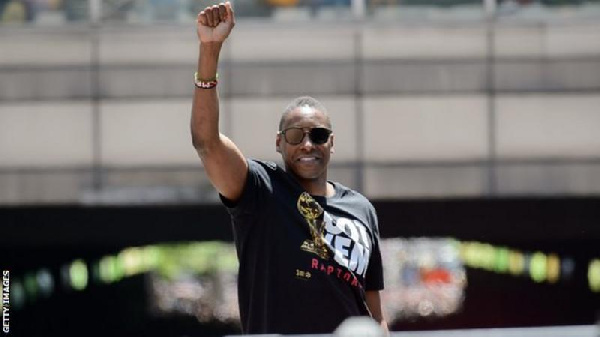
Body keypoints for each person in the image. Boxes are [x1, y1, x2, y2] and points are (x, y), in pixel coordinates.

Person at [190, 2, 388, 335]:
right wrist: (210, 50)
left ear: (332, 143)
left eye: (319, 135)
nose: (308, 144)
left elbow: (375, 313)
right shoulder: (261, 191)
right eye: (296, 135)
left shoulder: (361, 210)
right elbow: (206, 142)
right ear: (279, 143)